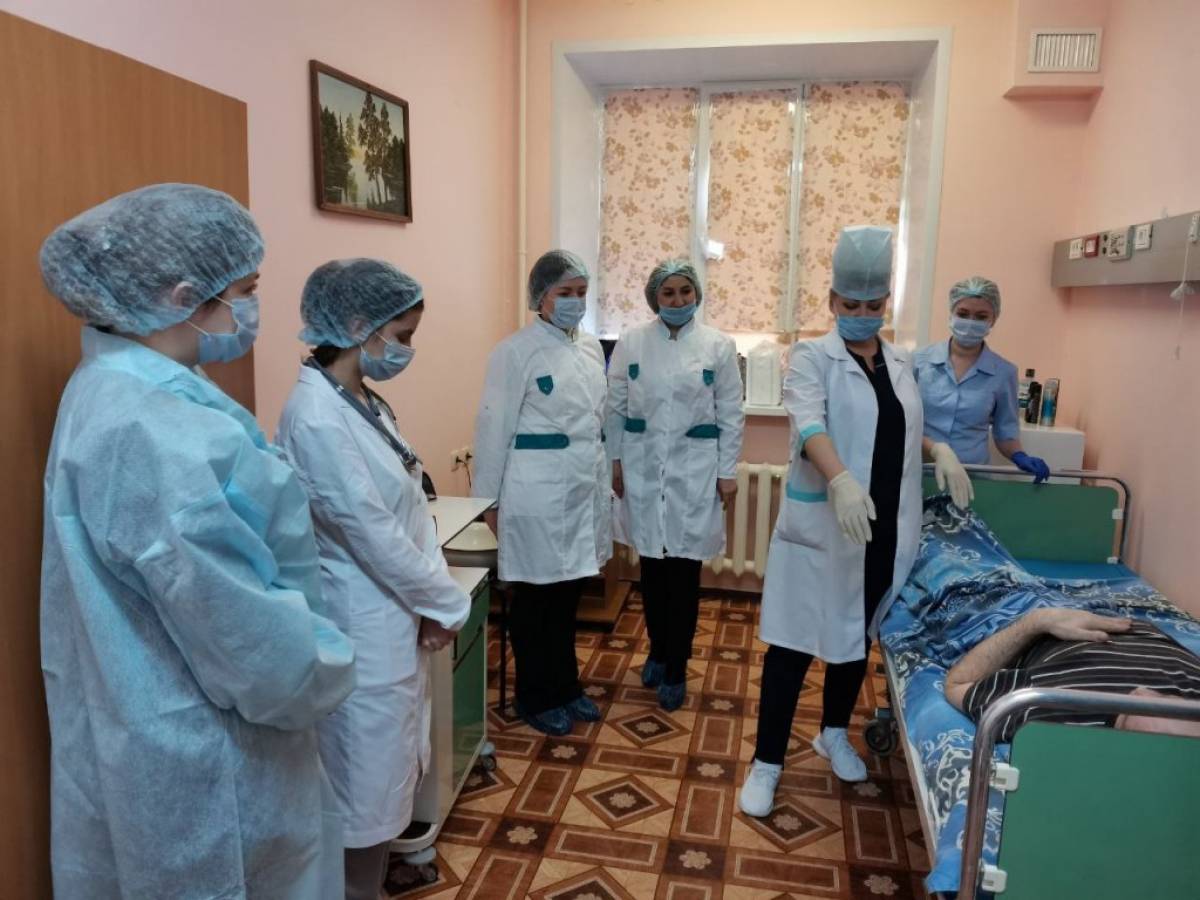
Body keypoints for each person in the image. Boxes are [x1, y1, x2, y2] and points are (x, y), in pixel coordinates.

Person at [37, 183, 356, 898]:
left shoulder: (121, 389)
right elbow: (244, 634)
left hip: (160, 730)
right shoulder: (151, 428)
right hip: (212, 758)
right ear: (184, 296)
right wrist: (325, 668)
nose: (252, 309)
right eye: (246, 291)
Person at [740, 225, 973, 817]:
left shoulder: (900, 361)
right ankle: (767, 763)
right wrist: (841, 480)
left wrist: (939, 450)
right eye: (851, 305)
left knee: (854, 639)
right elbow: (809, 424)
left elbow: (901, 430)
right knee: (793, 645)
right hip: (825, 524)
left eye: (873, 305)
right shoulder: (810, 357)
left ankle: (833, 733)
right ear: (832, 301)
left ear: (886, 302)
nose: (863, 315)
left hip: (884, 526)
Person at [277, 259, 472, 900]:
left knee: (385, 773)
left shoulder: (361, 402)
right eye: (403, 336)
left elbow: (409, 504)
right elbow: (370, 532)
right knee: (362, 784)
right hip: (360, 619)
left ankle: (368, 882)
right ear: (360, 326)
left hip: (394, 611)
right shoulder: (314, 416)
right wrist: (446, 602)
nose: (408, 350)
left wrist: (432, 600)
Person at [473, 250, 611, 736]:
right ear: (541, 296)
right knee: (535, 600)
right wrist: (488, 502)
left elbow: (596, 424)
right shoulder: (514, 352)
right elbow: (492, 429)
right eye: (564, 292)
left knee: (568, 597)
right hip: (534, 494)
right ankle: (535, 695)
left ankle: (566, 687)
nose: (575, 301)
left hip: (581, 490)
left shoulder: (590, 348)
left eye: (581, 292)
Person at [606, 260, 744, 711]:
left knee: (683, 573)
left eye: (686, 291)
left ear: (697, 293)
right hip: (644, 468)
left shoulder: (718, 346)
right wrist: (614, 460)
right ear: (654, 298)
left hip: (694, 471)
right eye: (669, 293)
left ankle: (677, 665)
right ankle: (657, 650)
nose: (679, 300)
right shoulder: (632, 342)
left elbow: (731, 413)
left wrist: (727, 472)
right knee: (651, 570)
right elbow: (615, 407)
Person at [944, 608, 1200, 739]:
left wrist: (1039, 620)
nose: (1142, 693)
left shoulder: (1048, 707)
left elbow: (958, 682)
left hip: (1019, 620)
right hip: (1115, 611)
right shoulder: (1193, 690)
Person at [915, 277, 1051, 483]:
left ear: (993, 320)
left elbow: (1005, 433)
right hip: (919, 472)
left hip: (972, 477)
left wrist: (1019, 456)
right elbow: (901, 421)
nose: (970, 322)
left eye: (981, 316)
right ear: (951, 313)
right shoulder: (918, 362)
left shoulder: (1004, 373)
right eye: (963, 314)